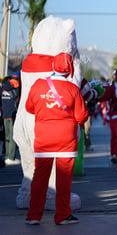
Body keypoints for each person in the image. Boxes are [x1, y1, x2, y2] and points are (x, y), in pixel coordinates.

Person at [25, 53, 89, 225]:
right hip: (66, 141)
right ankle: (62, 215)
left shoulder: (38, 85)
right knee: (63, 180)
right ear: (69, 69)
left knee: (39, 178)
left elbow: (29, 107)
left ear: (53, 66)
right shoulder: (73, 89)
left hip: (43, 139)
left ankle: (33, 216)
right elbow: (82, 116)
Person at [1, 72, 21, 166]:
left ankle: (6, 156)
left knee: (7, 137)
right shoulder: (17, 89)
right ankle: (11, 157)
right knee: (13, 137)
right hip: (13, 115)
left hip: (5, 115)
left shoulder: (3, 87)